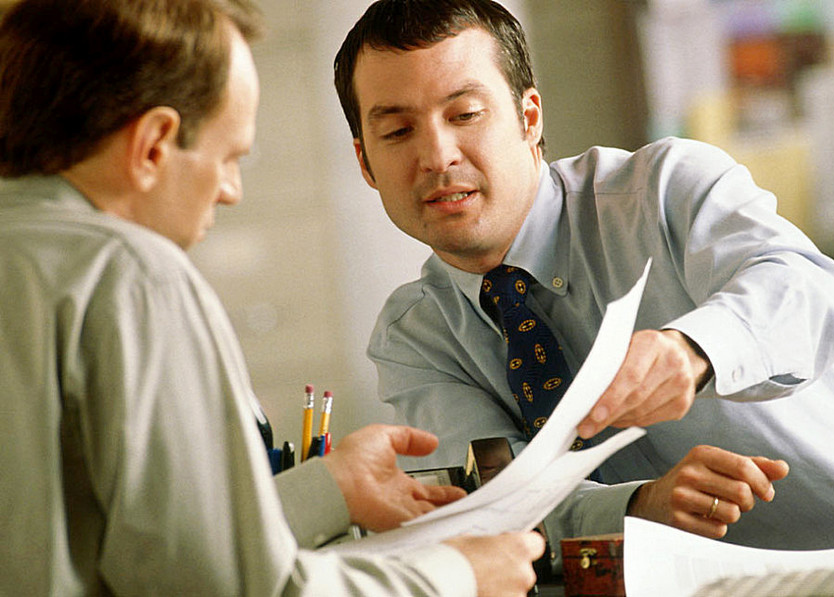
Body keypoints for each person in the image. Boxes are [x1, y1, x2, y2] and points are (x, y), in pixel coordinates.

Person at [333, 0, 834, 568]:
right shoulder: (415, 337)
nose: (437, 156)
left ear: (528, 118)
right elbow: (490, 505)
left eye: (465, 115)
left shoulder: (665, 189)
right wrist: (635, 506)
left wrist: (695, 349)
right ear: (366, 162)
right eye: (398, 131)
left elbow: (809, 291)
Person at [0, 1, 544, 595]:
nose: (231, 190)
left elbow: (131, 541)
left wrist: (326, 489)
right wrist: (457, 576)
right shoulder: (131, 274)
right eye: (228, 157)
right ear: (153, 144)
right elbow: (226, 587)